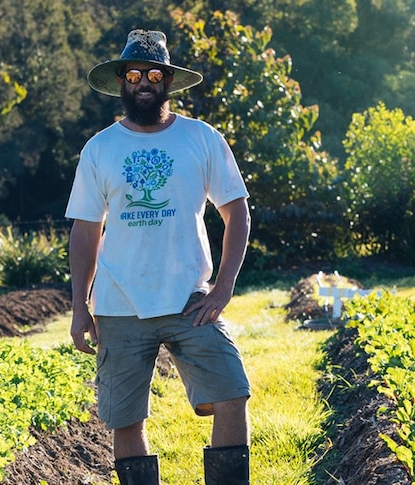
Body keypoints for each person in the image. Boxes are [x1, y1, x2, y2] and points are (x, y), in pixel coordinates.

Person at [65, 29, 252, 485]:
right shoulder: (100, 148)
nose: (143, 82)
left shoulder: (201, 138)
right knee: (125, 419)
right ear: (122, 82)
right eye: (134, 74)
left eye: (153, 73)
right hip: (119, 307)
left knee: (232, 393)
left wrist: (223, 288)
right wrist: (79, 308)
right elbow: (86, 232)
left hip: (192, 302)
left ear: (167, 81)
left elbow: (237, 212)